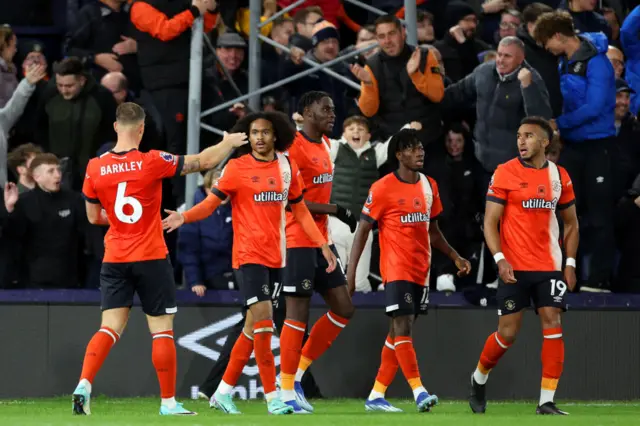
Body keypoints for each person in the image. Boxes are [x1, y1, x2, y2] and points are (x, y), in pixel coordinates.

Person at [72, 102, 248, 416]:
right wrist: (229, 142)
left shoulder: (94, 167)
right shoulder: (152, 160)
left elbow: (92, 215)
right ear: (141, 129)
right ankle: (168, 403)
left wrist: (119, 219)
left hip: (114, 258)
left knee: (109, 327)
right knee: (162, 330)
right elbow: (203, 161)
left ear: (115, 127)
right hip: (150, 255)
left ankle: (84, 384)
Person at [162, 111, 337, 415]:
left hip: (277, 257)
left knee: (251, 326)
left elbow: (301, 212)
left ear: (276, 136)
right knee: (266, 321)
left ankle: (223, 392)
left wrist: (322, 243)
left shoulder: (287, 167)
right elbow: (210, 203)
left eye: (265, 132)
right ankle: (273, 398)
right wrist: (184, 216)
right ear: (248, 136)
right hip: (248, 256)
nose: (259, 137)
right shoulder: (236, 168)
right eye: (254, 132)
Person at [347, 128, 471, 413]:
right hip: (396, 268)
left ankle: (377, 394)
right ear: (399, 154)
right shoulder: (382, 188)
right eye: (413, 148)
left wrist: (455, 257)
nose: (420, 152)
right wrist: (351, 275)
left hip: (420, 270)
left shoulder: (429, 186)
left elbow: (434, 232)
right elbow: (363, 230)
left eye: (421, 148)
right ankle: (419, 391)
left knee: (399, 333)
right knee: (402, 328)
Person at [468, 116, 579, 416]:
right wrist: (499, 259)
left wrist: (569, 262)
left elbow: (571, 223)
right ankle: (479, 378)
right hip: (513, 266)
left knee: (552, 321)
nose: (521, 141)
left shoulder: (560, 177)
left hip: (549, 265)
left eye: (528, 136)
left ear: (545, 142)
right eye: (519, 135)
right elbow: (490, 222)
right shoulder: (504, 172)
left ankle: (546, 401)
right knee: (508, 334)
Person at [278, 91, 357, 413]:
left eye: (333, 109)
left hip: (320, 242)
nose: (332, 114)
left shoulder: (325, 145)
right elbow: (286, 198)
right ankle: (286, 392)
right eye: (325, 109)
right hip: (295, 239)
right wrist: (335, 208)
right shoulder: (292, 148)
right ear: (306, 112)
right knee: (297, 314)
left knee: (343, 308)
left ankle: (296, 375)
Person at [534, 11, 615, 292]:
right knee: (565, 211)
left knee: (599, 213)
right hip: (574, 146)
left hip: (598, 147)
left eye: (547, 43)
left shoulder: (598, 63)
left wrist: (560, 123)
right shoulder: (564, 63)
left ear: (558, 36)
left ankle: (599, 278)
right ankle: (567, 275)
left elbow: (594, 107)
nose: (547, 49)